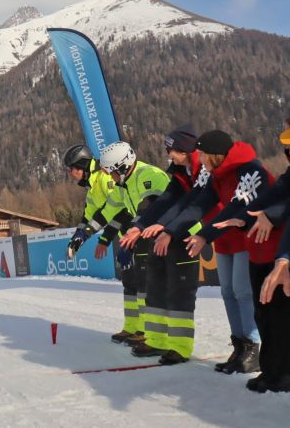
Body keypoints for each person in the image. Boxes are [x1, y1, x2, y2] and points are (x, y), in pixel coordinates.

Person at [160, 130, 280, 375]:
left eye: (203, 153)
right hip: (225, 238)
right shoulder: (215, 175)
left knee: (243, 292)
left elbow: (236, 207)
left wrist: (204, 235)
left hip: (251, 238)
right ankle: (240, 346)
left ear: (215, 154)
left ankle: (254, 346)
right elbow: (198, 204)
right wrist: (171, 230)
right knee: (227, 292)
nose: (200, 158)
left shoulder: (249, 169)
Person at [214, 121, 290, 392]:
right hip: (270, 253)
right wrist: (244, 218)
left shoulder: (252, 170)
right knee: (266, 314)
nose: (287, 152)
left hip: (278, 253)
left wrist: (271, 215)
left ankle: (283, 374)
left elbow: (281, 204)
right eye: (287, 147)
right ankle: (272, 371)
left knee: (280, 317)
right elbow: (273, 196)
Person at [119, 124, 204, 364]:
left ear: (186, 150)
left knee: (179, 293)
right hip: (163, 233)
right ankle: (156, 340)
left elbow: (189, 205)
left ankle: (179, 346)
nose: (169, 155)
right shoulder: (179, 171)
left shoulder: (202, 171)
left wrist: (167, 228)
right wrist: (140, 226)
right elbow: (167, 199)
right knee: (155, 286)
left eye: (172, 151)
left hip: (186, 236)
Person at [97, 141, 170, 355]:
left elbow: (149, 209)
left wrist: (132, 237)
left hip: (165, 235)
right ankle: (142, 330)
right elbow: (111, 209)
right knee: (139, 284)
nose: (108, 177)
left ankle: (158, 336)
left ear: (121, 167)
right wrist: (87, 232)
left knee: (154, 285)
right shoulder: (124, 183)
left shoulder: (148, 174)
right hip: (147, 235)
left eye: (109, 172)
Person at [61, 144, 132, 343]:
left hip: (135, 233)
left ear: (81, 166)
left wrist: (104, 238)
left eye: (71, 169)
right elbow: (88, 217)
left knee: (140, 283)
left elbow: (121, 210)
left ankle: (145, 332)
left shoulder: (105, 177)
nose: (70, 174)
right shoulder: (93, 186)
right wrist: (77, 239)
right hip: (124, 236)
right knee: (130, 284)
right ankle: (133, 328)